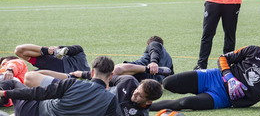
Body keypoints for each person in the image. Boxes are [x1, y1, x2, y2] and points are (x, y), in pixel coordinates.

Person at [150, 33, 260, 112]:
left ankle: (144, 106)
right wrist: (229, 78)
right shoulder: (253, 50)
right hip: (213, 77)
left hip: (222, 97)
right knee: (168, 82)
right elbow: (223, 58)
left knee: (184, 103)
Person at [0, 56, 119, 116]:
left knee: (13, 82)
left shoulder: (73, 83)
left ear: (92, 72)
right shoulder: (110, 100)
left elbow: (37, 93)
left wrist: (5, 93)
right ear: (111, 76)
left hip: (31, 110)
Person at [23, 70, 163, 116]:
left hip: (81, 108)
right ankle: (68, 77)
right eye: (136, 90)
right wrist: (83, 74)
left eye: (139, 96)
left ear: (148, 102)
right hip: (82, 90)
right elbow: (106, 76)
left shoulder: (139, 114)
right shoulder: (129, 82)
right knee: (30, 77)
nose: (134, 94)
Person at [14, 44, 90, 73]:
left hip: (57, 67)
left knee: (18, 50)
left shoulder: (80, 53)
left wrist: (54, 50)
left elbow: (76, 48)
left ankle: (48, 51)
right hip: (57, 69)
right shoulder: (87, 72)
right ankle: (48, 51)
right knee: (29, 76)